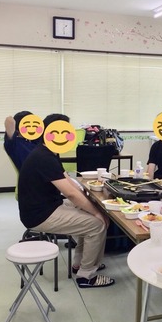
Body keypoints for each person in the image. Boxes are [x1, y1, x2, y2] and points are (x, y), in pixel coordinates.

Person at [18, 113, 115, 289]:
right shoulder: (44, 157)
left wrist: (86, 199)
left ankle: (81, 264)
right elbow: (70, 193)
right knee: (97, 224)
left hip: (48, 206)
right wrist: (96, 212)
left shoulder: (47, 151)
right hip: (40, 215)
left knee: (88, 212)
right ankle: (86, 276)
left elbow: (67, 180)